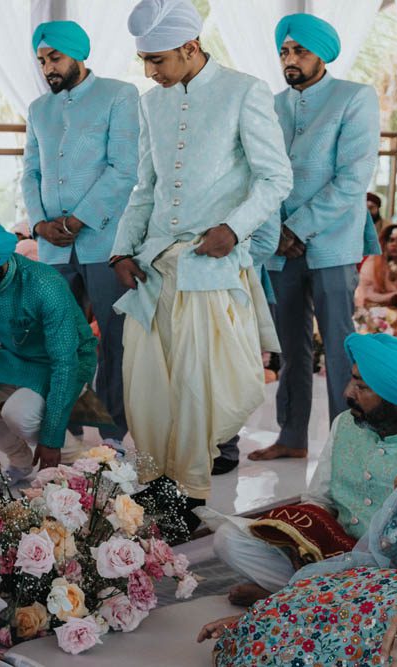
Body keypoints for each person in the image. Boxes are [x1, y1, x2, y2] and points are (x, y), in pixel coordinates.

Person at [111, 0, 291, 524]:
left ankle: (184, 500)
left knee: (193, 387)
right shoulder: (151, 104)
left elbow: (275, 178)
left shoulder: (244, 91)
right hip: (153, 266)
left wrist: (233, 229)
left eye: (158, 60)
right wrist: (122, 248)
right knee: (144, 385)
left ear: (191, 47)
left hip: (208, 265)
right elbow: (146, 186)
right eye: (144, 60)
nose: (150, 72)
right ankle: (151, 487)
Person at [199, 338, 397, 664]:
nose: (347, 393)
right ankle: (294, 601)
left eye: (362, 386)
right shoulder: (346, 424)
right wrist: (297, 536)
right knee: (230, 539)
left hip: (393, 571)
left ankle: (290, 600)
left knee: (359, 630)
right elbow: (319, 498)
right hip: (346, 556)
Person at [251, 14, 381, 462]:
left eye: (299, 51)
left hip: (332, 242)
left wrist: (296, 227)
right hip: (278, 247)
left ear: (321, 54)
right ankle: (291, 436)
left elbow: (353, 178)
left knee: (339, 345)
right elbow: (255, 174)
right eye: (284, 51)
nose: (290, 59)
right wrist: (275, 231)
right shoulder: (268, 104)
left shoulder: (354, 98)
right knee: (290, 347)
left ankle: (347, 443)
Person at [24, 20, 138, 451]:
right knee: (57, 337)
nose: (48, 68)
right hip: (53, 244)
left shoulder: (118, 95)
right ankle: (63, 427)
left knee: (114, 339)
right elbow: (31, 172)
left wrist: (78, 221)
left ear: (78, 55)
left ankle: (113, 434)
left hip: (104, 241)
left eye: (54, 58)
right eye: (41, 61)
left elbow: (124, 167)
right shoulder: (39, 109)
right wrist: (39, 224)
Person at [0, 216, 97, 478]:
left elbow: (65, 362)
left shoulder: (43, 285)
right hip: (16, 358)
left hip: (67, 359)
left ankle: (80, 460)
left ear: (0, 261)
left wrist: (51, 439)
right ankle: (20, 460)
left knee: (19, 414)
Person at [355, 220, 397, 340]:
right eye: (391, 240)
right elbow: (364, 292)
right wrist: (394, 297)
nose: (394, 244)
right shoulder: (375, 263)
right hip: (378, 313)